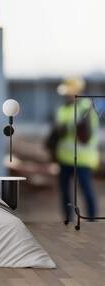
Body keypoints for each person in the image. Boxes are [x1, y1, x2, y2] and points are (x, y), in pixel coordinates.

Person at [55, 77, 99, 223]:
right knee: (65, 193)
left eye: (68, 92)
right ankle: (68, 221)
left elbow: (87, 133)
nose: (66, 95)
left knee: (87, 191)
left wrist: (67, 127)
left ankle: (92, 222)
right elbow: (58, 131)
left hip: (83, 159)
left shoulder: (86, 108)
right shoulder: (62, 108)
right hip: (64, 158)